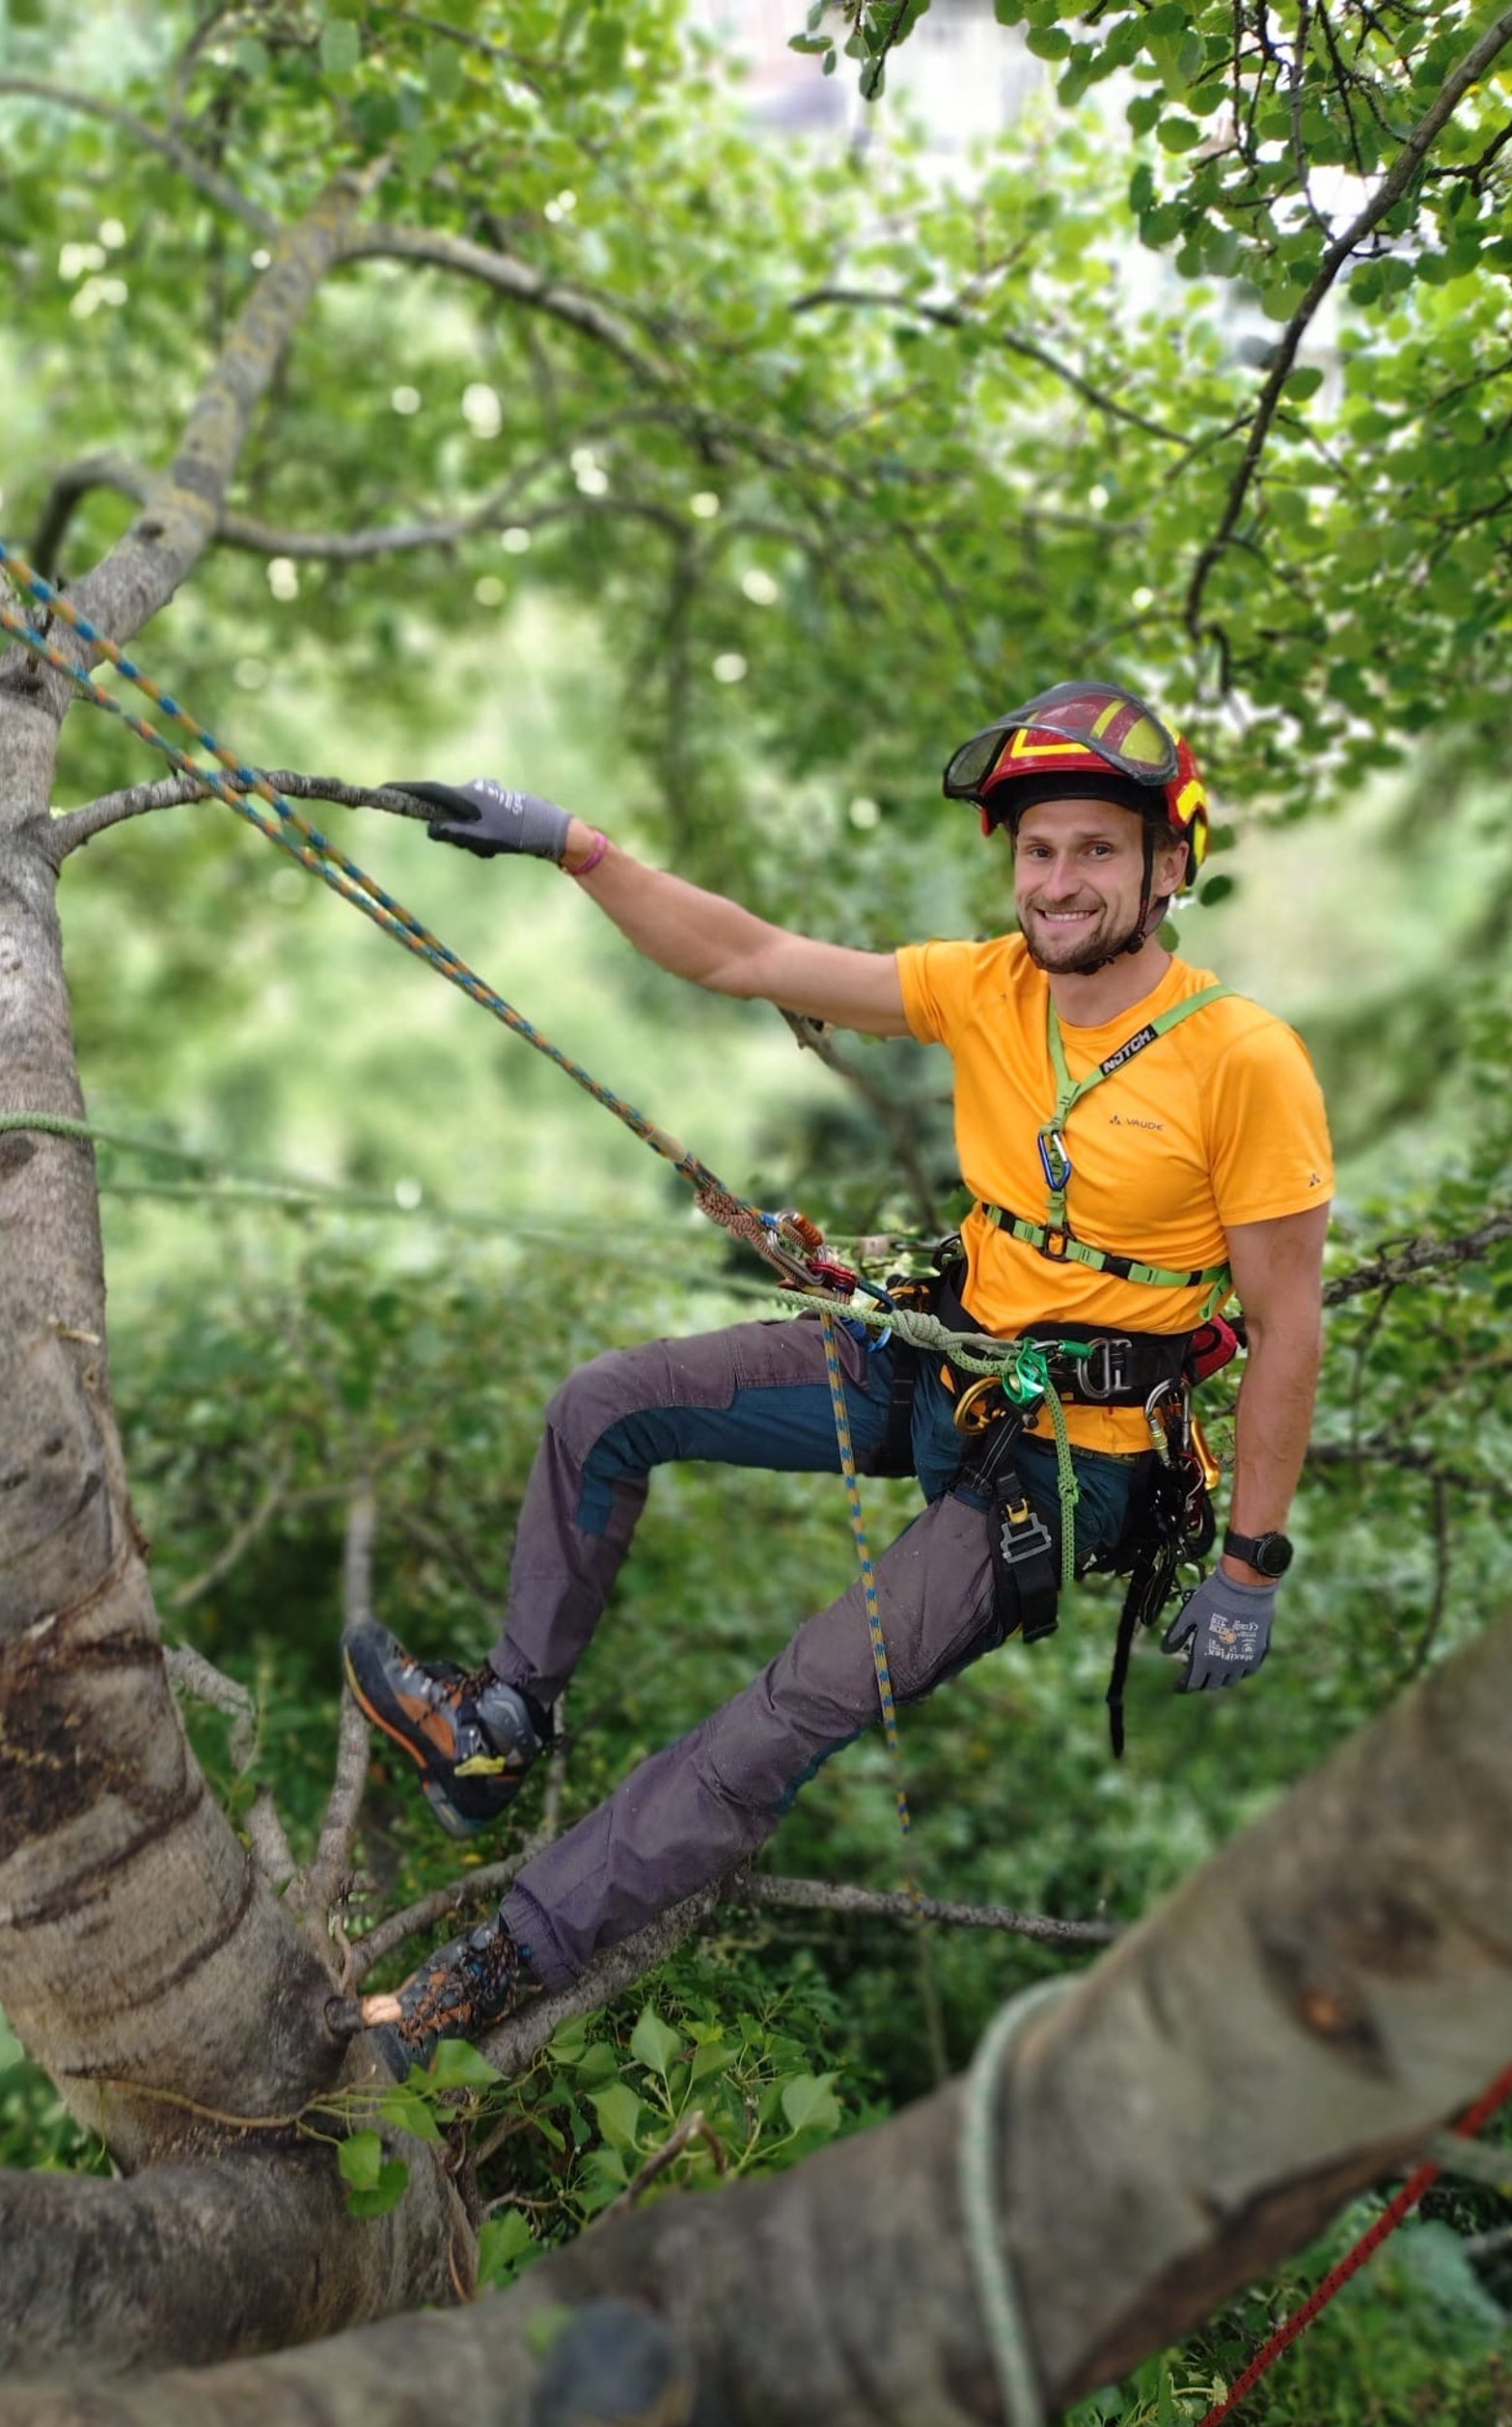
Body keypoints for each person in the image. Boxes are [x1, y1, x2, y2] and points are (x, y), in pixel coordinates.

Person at [336, 680, 1333, 2068]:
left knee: (796, 1699)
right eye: (1038, 850)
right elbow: (748, 957)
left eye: (1098, 850)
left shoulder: (1246, 1063)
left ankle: (496, 1970)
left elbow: (1290, 1326)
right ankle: (500, 1722)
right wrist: (575, 845)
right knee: (608, 1407)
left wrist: (1250, 1564)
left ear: (1169, 868)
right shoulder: (991, 988)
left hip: (1073, 1461)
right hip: (941, 1357)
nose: (1058, 881)